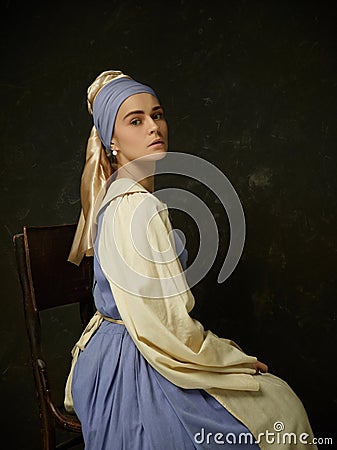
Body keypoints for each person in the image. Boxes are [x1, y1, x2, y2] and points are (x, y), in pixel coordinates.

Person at [64, 70, 317, 449]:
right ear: (111, 140)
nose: (154, 127)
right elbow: (162, 326)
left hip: (125, 346)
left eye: (158, 114)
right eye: (136, 120)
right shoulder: (134, 207)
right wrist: (230, 361)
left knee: (273, 401)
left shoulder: (128, 196)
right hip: (131, 362)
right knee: (280, 409)